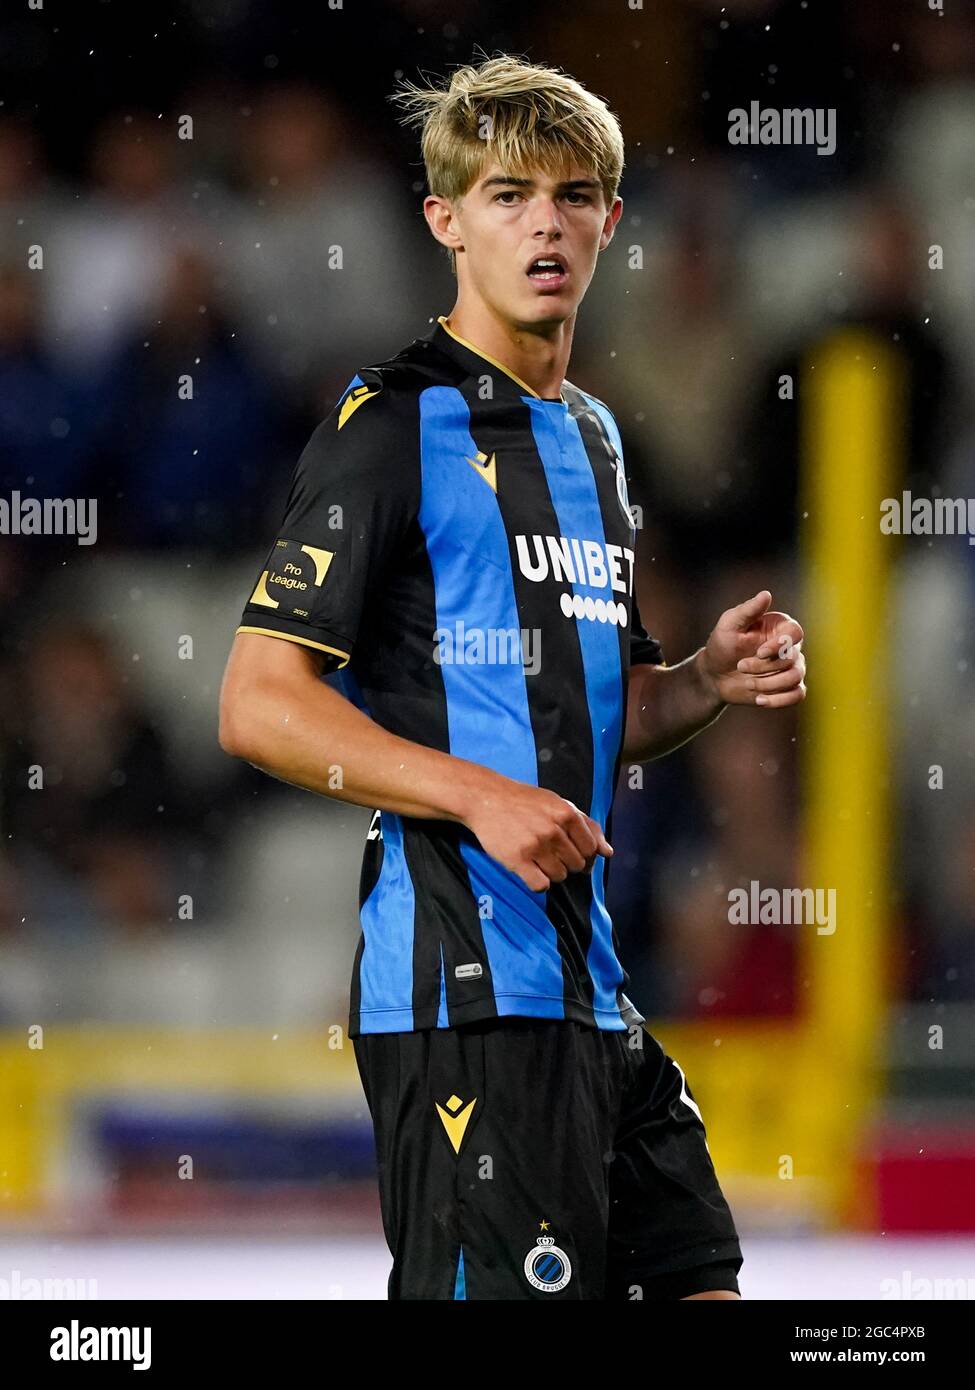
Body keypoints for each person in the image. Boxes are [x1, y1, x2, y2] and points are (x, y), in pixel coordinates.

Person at [218, 55, 806, 1300]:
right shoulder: (389, 424)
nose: (546, 220)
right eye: (508, 193)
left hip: (594, 995)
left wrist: (701, 678)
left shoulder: (592, 436)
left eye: (575, 193)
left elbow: (597, 705)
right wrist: (478, 795)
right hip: (465, 1003)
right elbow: (258, 702)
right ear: (446, 221)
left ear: (611, 220)